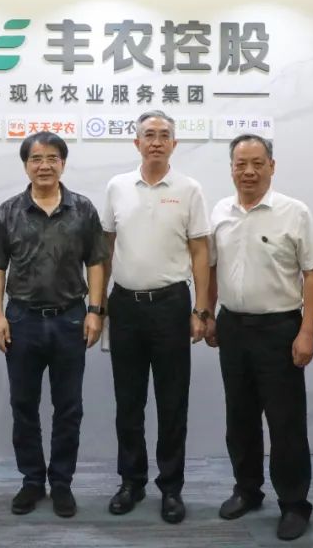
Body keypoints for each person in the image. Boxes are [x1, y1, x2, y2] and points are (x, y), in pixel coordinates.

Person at [205, 134, 313, 541]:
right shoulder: (220, 212)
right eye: (241, 164)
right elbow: (211, 268)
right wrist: (208, 315)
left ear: (272, 166)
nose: (249, 172)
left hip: (280, 329)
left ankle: (294, 503)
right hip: (232, 327)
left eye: (258, 163)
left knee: (285, 421)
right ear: (231, 168)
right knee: (239, 416)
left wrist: (307, 330)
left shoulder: (294, 212)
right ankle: (247, 489)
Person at [0, 131, 108, 518]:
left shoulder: (82, 209)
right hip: (22, 320)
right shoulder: (8, 211)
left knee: (68, 407)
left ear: (63, 164)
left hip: (71, 318)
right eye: (36, 159)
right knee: (23, 405)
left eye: (52, 158)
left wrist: (95, 310)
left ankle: (62, 483)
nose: (44, 165)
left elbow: (96, 262)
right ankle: (32, 480)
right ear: (26, 165)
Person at [102, 110, 211, 524]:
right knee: (128, 401)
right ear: (136, 143)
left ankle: (171, 487)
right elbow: (106, 248)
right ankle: (131, 482)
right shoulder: (117, 187)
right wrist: (98, 305)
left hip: (171, 305)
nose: (156, 142)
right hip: (125, 305)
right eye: (149, 135)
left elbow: (200, 250)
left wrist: (201, 308)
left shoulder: (189, 189)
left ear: (174, 144)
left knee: (172, 401)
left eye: (164, 135)